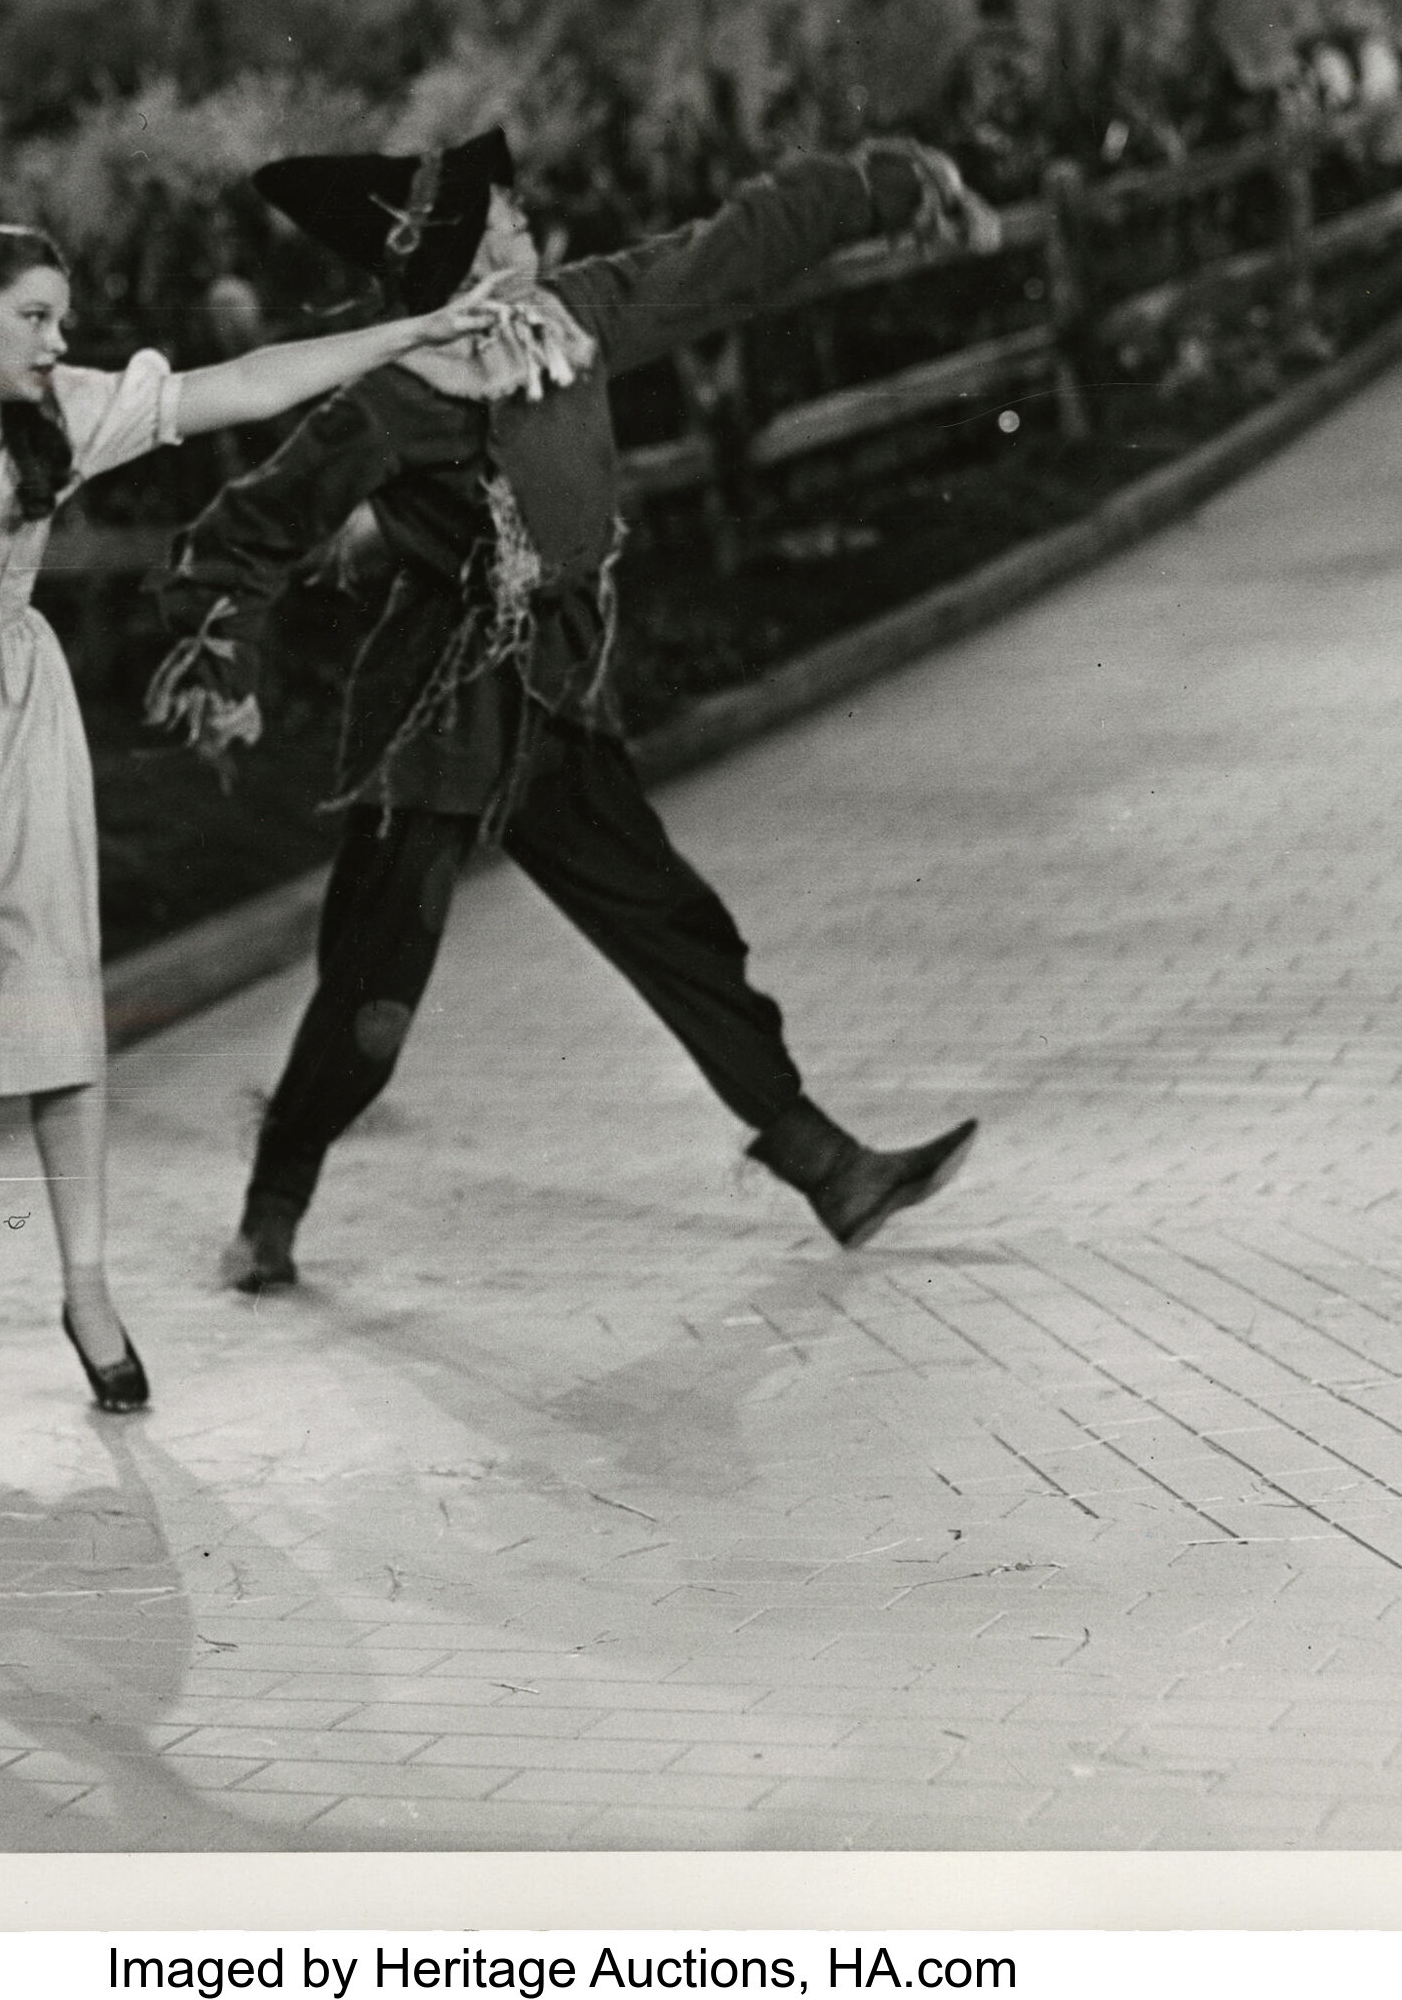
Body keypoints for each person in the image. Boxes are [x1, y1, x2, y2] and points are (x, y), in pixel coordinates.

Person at [147, 128, 999, 1294]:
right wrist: (221, 667)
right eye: (499, 218)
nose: (523, 224)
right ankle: (275, 1199)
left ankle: (828, 1168)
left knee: (671, 920)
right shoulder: (396, 398)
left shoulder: (576, 317)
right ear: (455, 259)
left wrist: (880, 186)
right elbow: (245, 528)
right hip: (435, 722)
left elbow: (723, 254)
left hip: (552, 697)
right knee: (372, 997)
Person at [0, 222, 503, 1406]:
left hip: (15, 726)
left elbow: (249, 382)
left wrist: (412, 331)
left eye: (63, 318)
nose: (60, 338)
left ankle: (85, 1285)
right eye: (37, 316)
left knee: (56, 1006)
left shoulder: (66, 408)